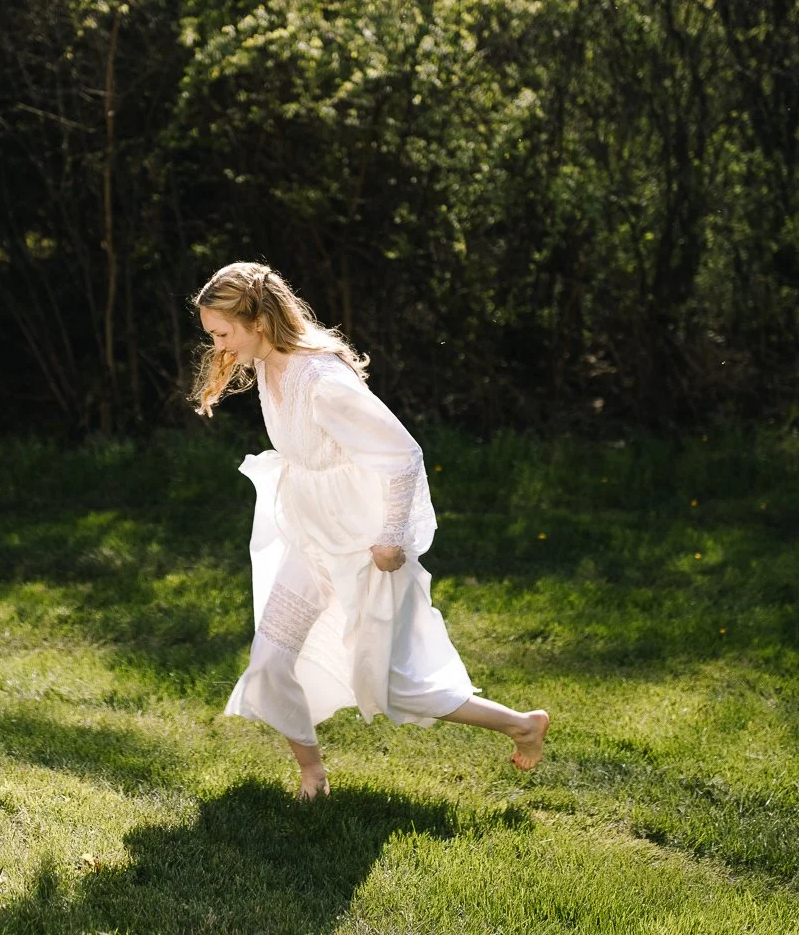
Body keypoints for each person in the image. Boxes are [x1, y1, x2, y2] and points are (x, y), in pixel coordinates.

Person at [192, 261, 549, 799]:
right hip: (311, 538)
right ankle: (312, 772)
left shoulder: (322, 381)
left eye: (222, 333)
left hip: (361, 544)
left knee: (390, 683)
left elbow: (404, 456)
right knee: (269, 660)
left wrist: (389, 537)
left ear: (258, 321)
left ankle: (522, 725)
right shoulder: (268, 365)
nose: (218, 346)